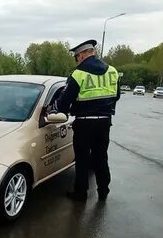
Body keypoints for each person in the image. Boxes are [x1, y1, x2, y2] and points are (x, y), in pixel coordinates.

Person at [48, 39, 120, 201]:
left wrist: (55, 108)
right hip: (104, 122)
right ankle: (103, 190)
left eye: (76, 57)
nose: (77, 60)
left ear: (81, 55)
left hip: (84, 123)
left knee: (82, 159)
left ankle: (81, 193)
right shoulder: (113, 71)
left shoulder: (78, 73)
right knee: (101, 157)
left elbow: (64, 101)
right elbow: (117, 96)